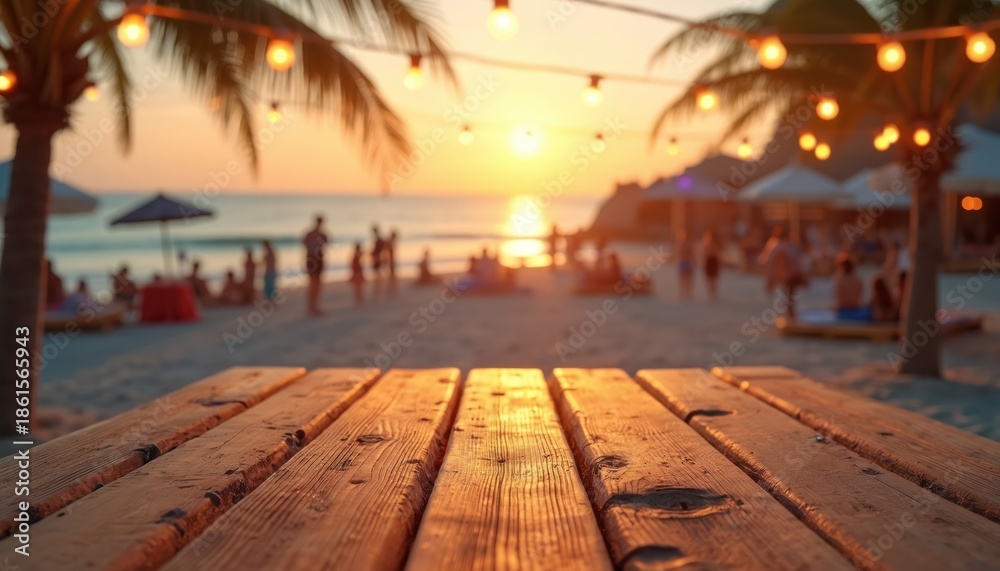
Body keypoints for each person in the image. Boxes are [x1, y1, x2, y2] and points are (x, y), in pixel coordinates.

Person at [758, 225, 807, 318]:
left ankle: (789, 315)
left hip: (784, 274)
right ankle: (791, 314)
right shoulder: (793, 245)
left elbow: (765, 260)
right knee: (790, 294)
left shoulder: (776, 246)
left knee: (786, 294)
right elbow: (800, 258)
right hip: (794, 274)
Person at [303, 216, 329, 316]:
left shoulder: (320, 234)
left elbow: (305, 244)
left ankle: (313, 306)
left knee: (316, 283)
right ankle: (312, 307)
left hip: (316, 258)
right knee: (314, 283)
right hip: (313, 258)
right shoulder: (312, 234)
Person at [676, 231, 695, 300]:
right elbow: (678, 253)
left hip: (687, 262)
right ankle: (683, 294)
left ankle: (687, 294)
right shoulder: (680, 244)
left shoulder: (688, 244)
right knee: (683, 279)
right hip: (683, 262)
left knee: (688, 279)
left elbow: (692, 254)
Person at [702, 231, 721, 301]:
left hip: (713, 261)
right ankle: (710, 294)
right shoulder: (706, 245)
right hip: (709, 262)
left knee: (713, 280)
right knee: (709, 279)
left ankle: (713, 294)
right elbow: (705, 255)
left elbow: (717, 255)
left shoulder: (715, 245)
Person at [371, 225, 385, 298]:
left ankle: (378, 291)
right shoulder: (379, 238)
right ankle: (378, 290)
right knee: (377, 274)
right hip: (377, 258)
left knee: (377, 275)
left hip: (377, 258)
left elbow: (378, 250)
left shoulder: (378, 239)